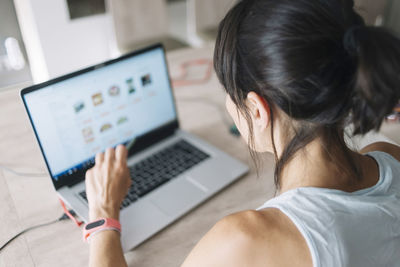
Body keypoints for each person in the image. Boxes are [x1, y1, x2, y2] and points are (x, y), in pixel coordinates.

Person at [84, 0, 400, 266]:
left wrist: (103, 216)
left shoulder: (246, 240)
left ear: (257, 110)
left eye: (228, 92)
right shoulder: (391, 157)